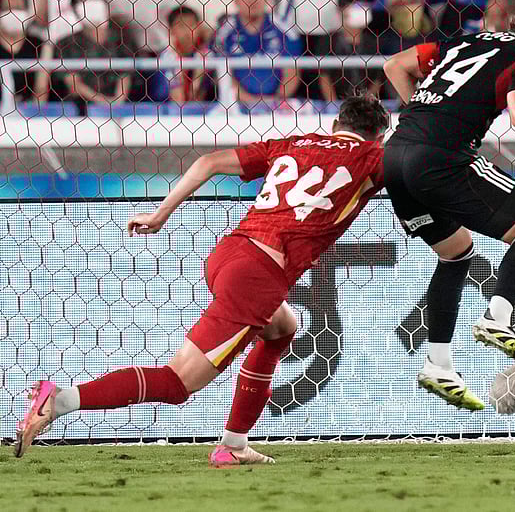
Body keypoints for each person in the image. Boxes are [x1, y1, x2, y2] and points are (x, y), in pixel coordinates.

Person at [14, 96, 393, 465]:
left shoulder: (291, 144)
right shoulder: (374, 158)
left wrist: (160, 214)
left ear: (334, 125)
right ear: (379, 136)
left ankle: (234, 444)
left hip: (229, 253)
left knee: (281, 328)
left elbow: (209, 162)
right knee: (178, 383)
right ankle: (60, 400)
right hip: (258, 276)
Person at [380, 5, 515, 410]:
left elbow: (395, 65)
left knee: (454, 254)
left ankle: (438, 363)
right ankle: (497, 319)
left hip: (394, 157)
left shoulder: (466, 41)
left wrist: (427, 115)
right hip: (442, 157)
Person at [210, 0, 302, 105]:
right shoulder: (223, 33)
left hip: (279, 105)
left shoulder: (286, 31)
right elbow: (222, 75)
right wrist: (249, 101)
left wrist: (274, 101)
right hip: (235, 106)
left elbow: (292, 73)